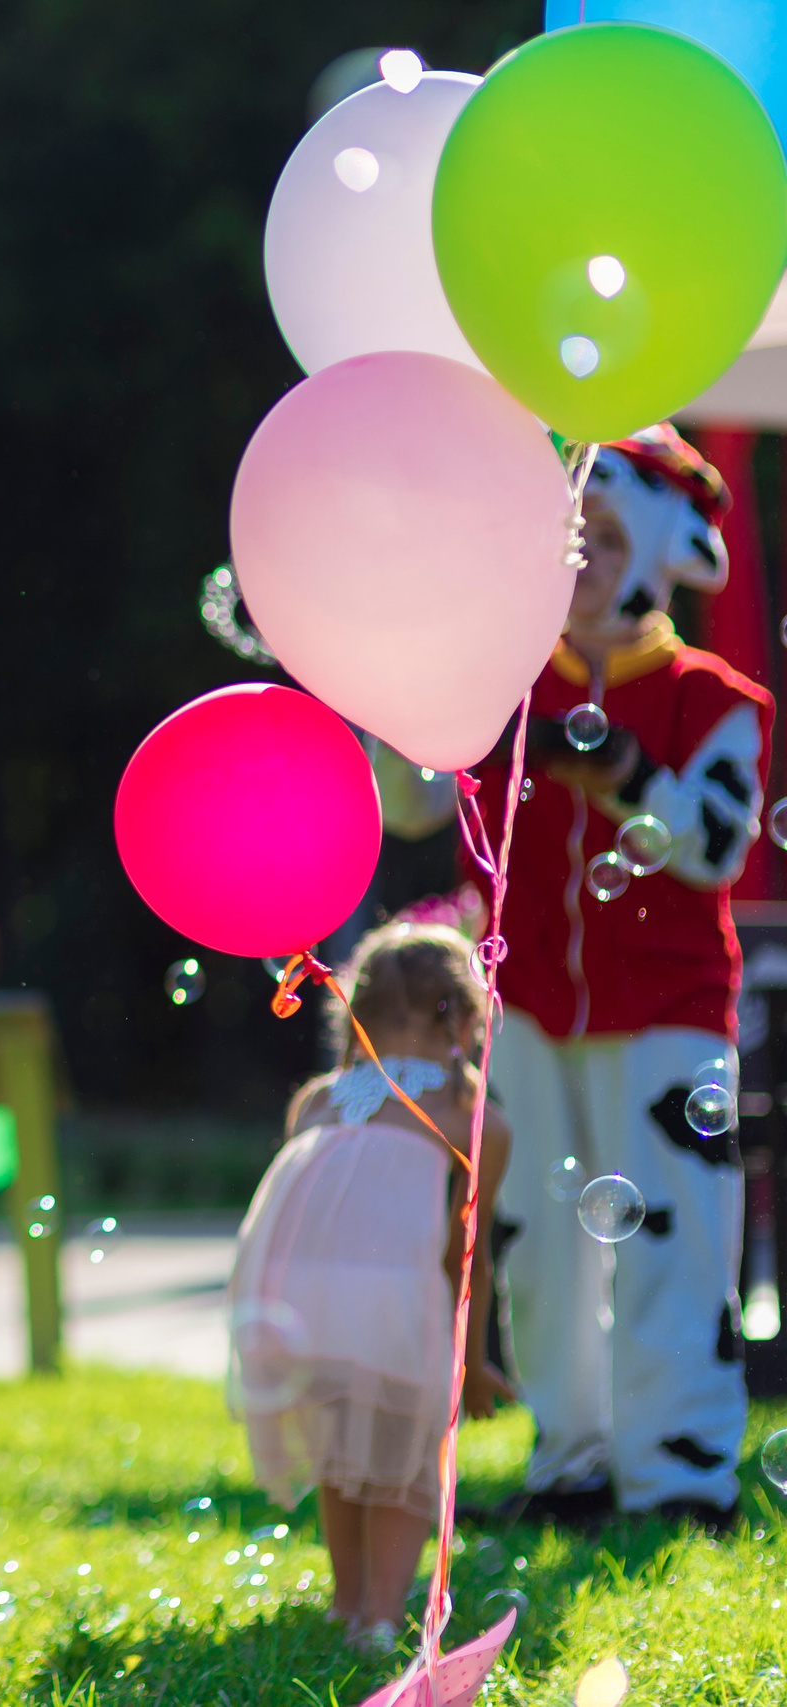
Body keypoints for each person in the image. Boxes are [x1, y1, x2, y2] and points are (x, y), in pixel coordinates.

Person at [465, 424, 771, 1533]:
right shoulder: (491, 682)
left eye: (603, 534)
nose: (580, 558)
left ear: (661, 554)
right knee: (539, 1244)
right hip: (531, 1010)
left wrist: (623, 771)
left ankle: (681, 1472)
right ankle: (570, 1463)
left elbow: (714, 845)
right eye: (565, 534)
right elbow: (413, 800)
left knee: (678, 1244)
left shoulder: (715, 696)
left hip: (669, 1013)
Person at [228, 922, 513, 1654]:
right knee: (405, 1456)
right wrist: (471, 1360)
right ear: (467, 1015)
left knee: (343, 1450)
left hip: (294, 1300)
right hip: (391, 1295)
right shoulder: (468, 1111)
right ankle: (382, 1617)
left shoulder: (318, 1098)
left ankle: (345, 1601)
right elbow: (466, 1255)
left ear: (353, 1009)